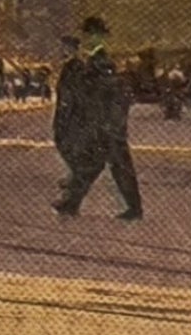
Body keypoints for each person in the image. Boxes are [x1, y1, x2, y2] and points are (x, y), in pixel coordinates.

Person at [51, 17, 142, 221]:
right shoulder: (92, 61)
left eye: (90, 35)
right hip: (104, 122)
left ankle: (134, 209)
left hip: (105, 123)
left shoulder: (100, 61)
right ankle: (71, 204)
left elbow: (100, 90)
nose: (87, 39)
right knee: (99, 164)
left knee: (111, 165)